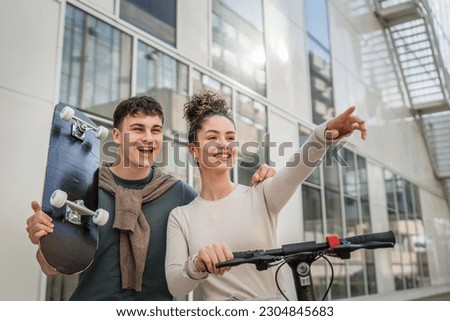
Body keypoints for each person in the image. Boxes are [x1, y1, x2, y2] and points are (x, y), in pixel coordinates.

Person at [26, 95, 275, 300]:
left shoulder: (181, 195)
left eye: (155, 130)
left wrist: (257, 192)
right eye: (137, 129)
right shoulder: (85, 188)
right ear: (116, 136)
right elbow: (50, 268)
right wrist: (44, 240)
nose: (148, 138)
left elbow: (223, 217)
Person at [165, 90, 367, 300]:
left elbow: (296, 169)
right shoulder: (181, 217)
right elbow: (175, 286)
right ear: (194, 150)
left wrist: (323, 136)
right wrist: (197, 264)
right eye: (212, 137)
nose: (224, 144)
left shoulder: (261, 194)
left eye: (230, 137)